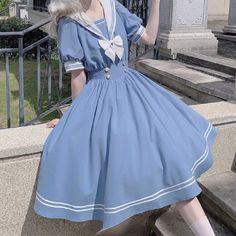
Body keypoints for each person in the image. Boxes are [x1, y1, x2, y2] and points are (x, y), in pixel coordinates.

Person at [34, 0, 219, 235]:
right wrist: (73, 117)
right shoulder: (69, 23)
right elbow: (78, 78)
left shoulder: (113, 7)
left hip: (136, 94)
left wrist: (156, 4)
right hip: (102, 102)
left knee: (174, 167)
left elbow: (149, 38)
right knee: (121, 173)